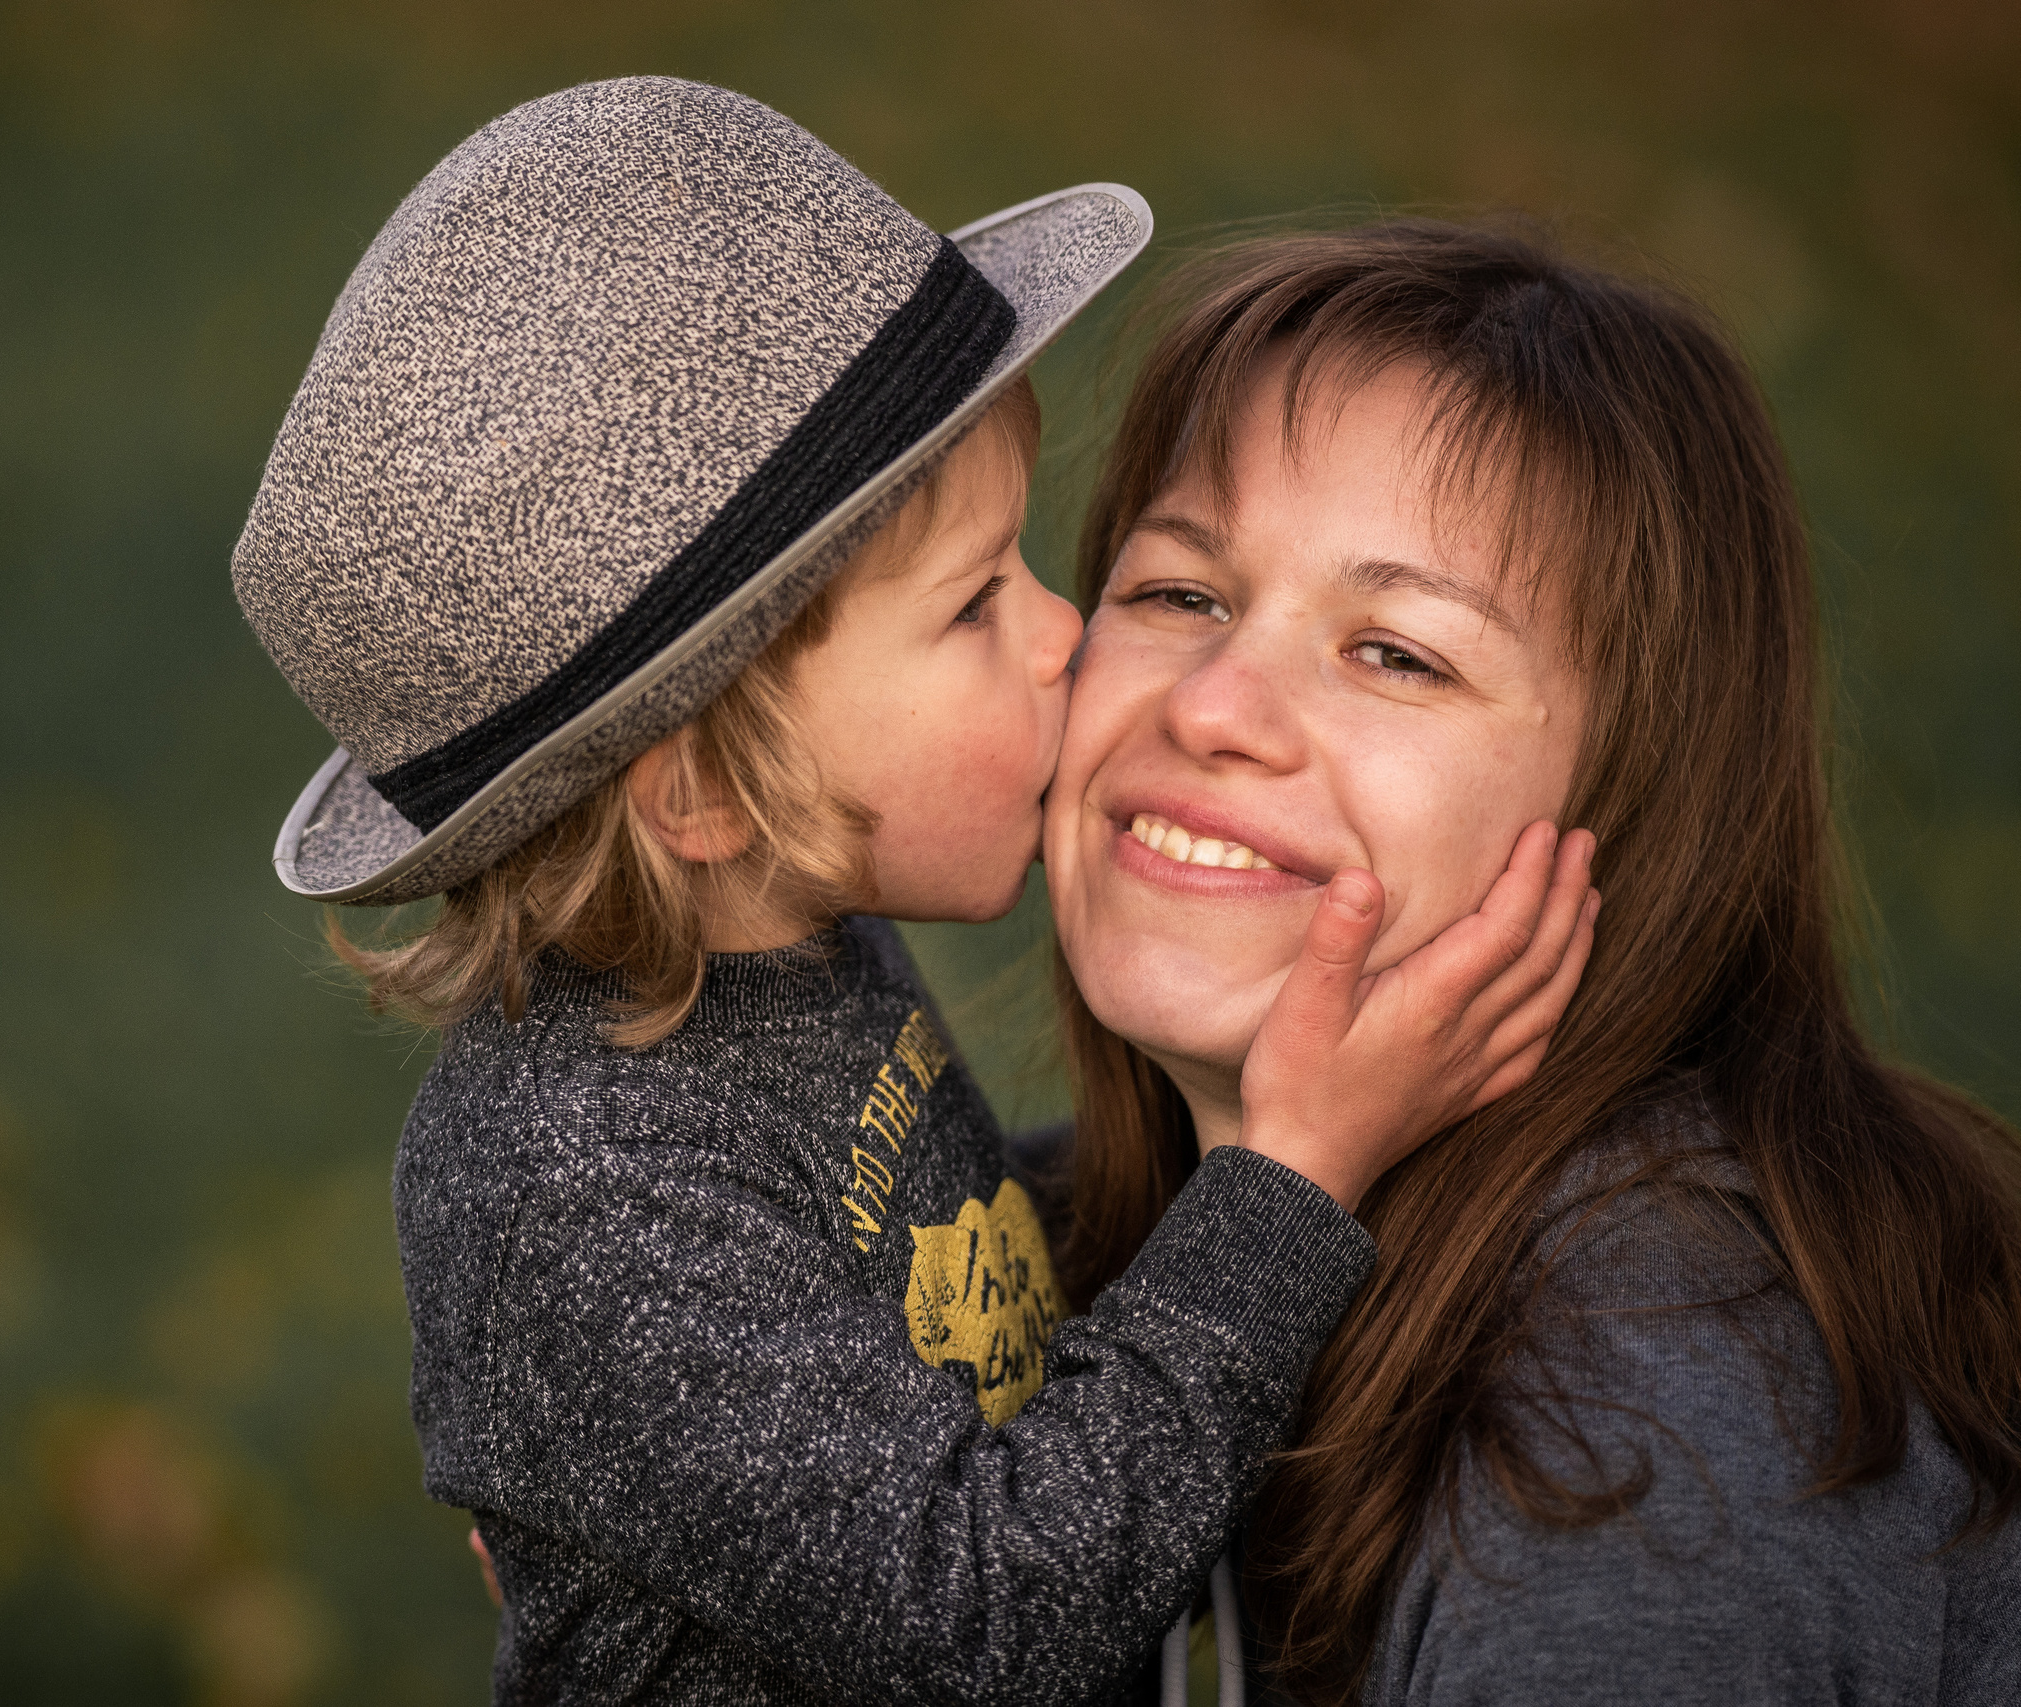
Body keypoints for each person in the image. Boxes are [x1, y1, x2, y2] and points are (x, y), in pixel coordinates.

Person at [231, 82, 1595, 1704]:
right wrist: (1287, 1183)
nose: (1064, 635)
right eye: (971, 607)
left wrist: (1308, 1117)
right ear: (704, 788)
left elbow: (929, 1250)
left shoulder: (783, 947)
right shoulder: (575, 1192)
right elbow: (993, 1620)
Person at [1042, 221, 2021, 1704]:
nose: (1217, 705)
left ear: (1636, 808)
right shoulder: (1017, 1244)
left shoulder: (1649, 1436)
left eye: (1399, 654)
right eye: (1182, 593)